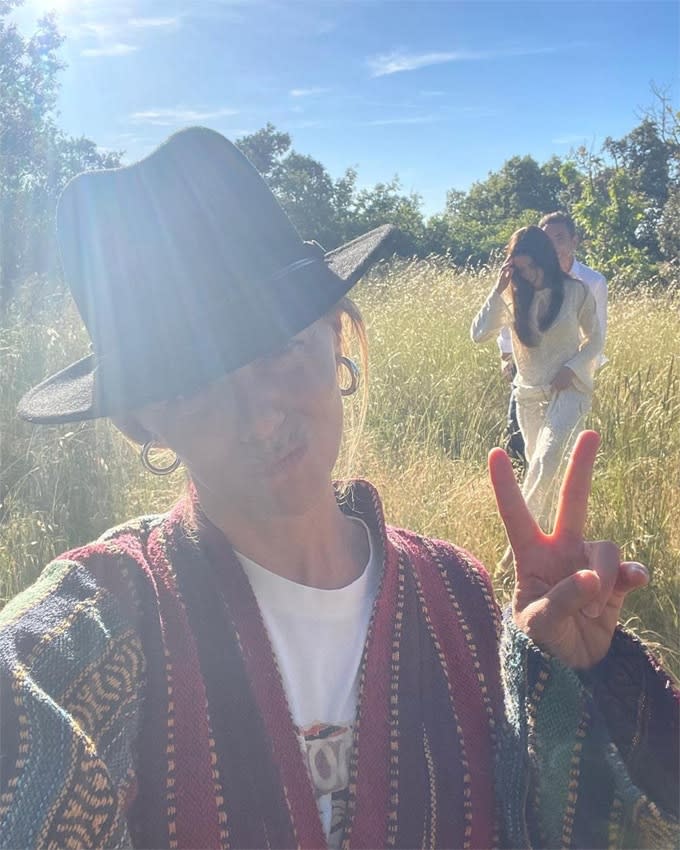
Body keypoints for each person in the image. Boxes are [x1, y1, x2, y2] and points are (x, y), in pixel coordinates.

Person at [0, 128, 677, 850]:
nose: (260, 416)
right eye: (196, 384)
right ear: (144, 423)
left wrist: (559, 681)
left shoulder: (458, 596)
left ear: (336, 336)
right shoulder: (101, 626)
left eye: (280, 350)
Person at [472, 226, 602, 533]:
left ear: (545, 260)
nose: (527, 274)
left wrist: (571, 367)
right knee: (538, 467)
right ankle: (549, 537)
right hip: (528, 395)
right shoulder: (512, 297)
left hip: (569, 390)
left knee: (546, 461)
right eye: (519, 268)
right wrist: (498, 287)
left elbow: (595, 341)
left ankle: (517, 542)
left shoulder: (576, 291)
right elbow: (478, 335)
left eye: (531, 266)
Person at [497, 212, 607, 467]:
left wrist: (574, 369)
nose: (554, 246)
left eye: (560, 238)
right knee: (521, 439)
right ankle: (523, 500)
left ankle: (555, 500)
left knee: (557, 447)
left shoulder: (591, 282)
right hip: (529, 370)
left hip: (569, 373)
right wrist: (506, 356)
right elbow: (510, 315)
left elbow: (596, 333)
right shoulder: (526, 275)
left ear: (573, 241)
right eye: (547, 240)